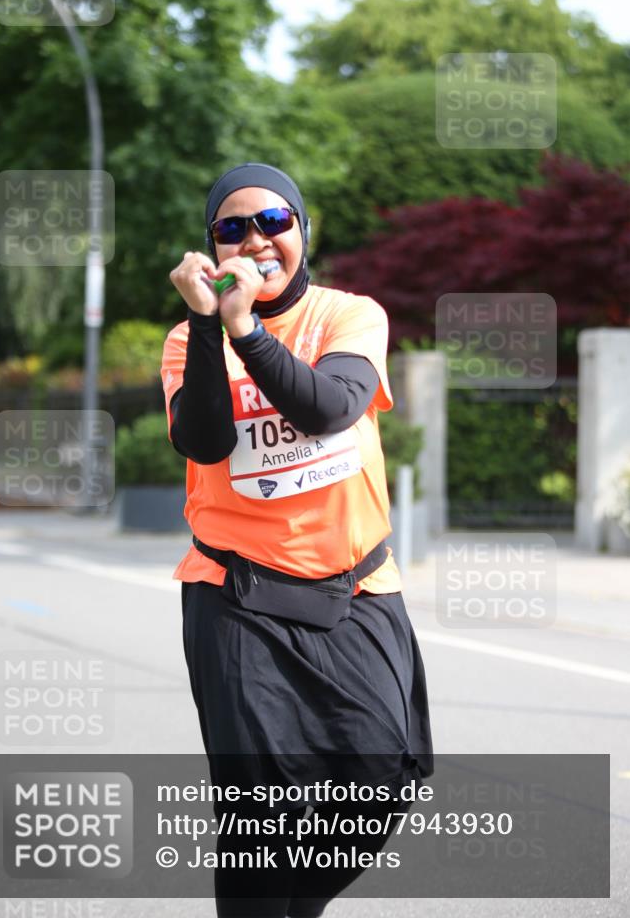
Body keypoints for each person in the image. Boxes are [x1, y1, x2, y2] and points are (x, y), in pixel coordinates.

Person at [161, 162, 433, 918]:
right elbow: (206, 442)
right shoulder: (188, 339)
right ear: (213, 247)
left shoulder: (350, 316)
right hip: (236, 592)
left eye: (274, 222)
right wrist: (217, 325)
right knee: (259, 811)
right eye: (232, 228)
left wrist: (245, 327)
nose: (256, 240)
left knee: (383, 783)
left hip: (356, 588)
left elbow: (327, 408)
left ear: (302, 231)